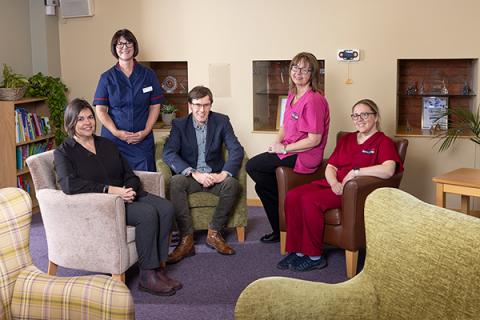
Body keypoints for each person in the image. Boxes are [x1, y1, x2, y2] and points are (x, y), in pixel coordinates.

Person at [54, 98, 181, 296]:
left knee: (166, 208)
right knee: (147, 214)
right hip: (102, 204)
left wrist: (129, 189)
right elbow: (69, 185)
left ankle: (158, 268)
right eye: (80, 119)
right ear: (70, 123)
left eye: (90, 117)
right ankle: (147, 276)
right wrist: (111, 191)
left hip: (125, 195)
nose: (87, 122)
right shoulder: (64, 152)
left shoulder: (106, 144)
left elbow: (128, 173)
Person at [277, 99, 404, 272]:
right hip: (334, 185)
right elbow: (331, 166)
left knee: (309, 200)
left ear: (375, 117)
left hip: (355, 192)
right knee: (293, 195)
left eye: (365, 114)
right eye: (355, 115)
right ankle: (298, 251)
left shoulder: (383, 142)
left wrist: (356, 172)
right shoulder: (347, 139)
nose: (359, 119)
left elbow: (389, 170)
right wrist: (334, 182)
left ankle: (314, 256)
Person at [246, 52, 330, 244]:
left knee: (252, 166)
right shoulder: (293, 96)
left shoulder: (314, 99)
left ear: (313, 74)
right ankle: (280, 229)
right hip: (290, 149)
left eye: (304, 69)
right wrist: (276, 144)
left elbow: (314, 140)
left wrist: (284, 149)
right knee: (262, 187)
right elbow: (284, 126)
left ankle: (285, 210)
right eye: (295, 67)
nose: (298, 73)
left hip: (305, 155)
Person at [163, 86, 244, 264]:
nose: (202, 110)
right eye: (198, 105)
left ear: (210, 105)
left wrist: (223, 174)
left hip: (215, 175)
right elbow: (169, 153)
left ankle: (214, 233)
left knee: (232, 184)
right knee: (176, 182)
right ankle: (186, 239)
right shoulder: (179, 124)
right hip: (191, 177)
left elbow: (236, 150)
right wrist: (193, 173)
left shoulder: (221, 121)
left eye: (206, 105)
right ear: (190, 106)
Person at [93, 29, 164, 172]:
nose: (124, 47)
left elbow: (155, 106)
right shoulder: (107, 78)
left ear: (134, 46)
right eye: (120, 44)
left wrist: (145, 131)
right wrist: (117, 132)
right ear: (114, 48)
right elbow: (100, 110)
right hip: (114, 140)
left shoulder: (148, 75)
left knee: (147, 178)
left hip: (141, 139)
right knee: (115, 177)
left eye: (128, 43)